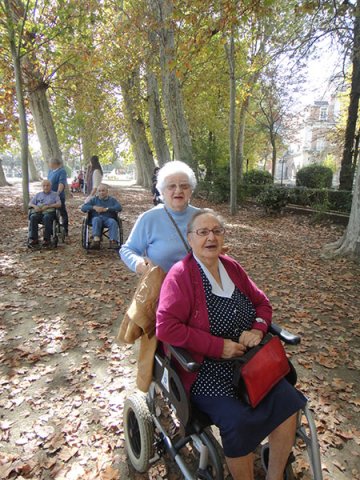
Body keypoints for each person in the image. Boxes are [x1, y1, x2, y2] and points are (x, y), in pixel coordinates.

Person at [156, 209, 307, 480]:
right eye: (202, 232)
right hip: (205, 371)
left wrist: (258, 329)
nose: (210, 237)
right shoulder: (180, 276)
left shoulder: (232, 266)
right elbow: (166, 327)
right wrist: (217, 346)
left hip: (249, 365)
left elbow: (262, 303)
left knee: (287, 402)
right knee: (239, 422)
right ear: (190, 239)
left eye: (217, 231)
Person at [120, 160, 199, 274]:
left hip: (198, 286)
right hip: (162, 287)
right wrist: (138, 263)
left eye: (184, 186)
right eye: (171, 186)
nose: (178, 190)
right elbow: (127, 249)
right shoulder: (149, 218)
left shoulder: (202, 217)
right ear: (162, 190)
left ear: (191, 190)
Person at [81, 183, 122, 249]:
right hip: (96, 218)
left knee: (113, 222)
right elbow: (83, 208)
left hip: (108, 218)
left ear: (107, 192)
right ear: (97, 192)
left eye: (103, 191)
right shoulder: (94, 200)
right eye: (99, 191)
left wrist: (107, 209)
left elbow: (119, 207)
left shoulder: (112, 200)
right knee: (96, 219)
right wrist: (94, 207)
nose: (101, 193)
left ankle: (113, 241)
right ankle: (96, 240)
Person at [28, 180, 61, 246]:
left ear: (50, 186)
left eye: (47, 185)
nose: (46, 187)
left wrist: (48, 206)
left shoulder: (55, 194)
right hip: (39, 212)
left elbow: (59, 204)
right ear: (42, 187)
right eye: (44, 186)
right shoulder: (38, 195)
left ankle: (47, 240)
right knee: (33, 217)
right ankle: (34, 239)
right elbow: (30, 203)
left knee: (47, 217)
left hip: (49, 212)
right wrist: (35, 206)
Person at [48, 158, 69, 235]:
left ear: (54, 164)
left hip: (58, 195)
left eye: (49, 163)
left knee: (62, 212)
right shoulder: (50, 171)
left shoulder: (62, 171)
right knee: (51, 212)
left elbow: (61, 183)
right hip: (49, 195)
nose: (48, 165)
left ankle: (65, 229)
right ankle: (52, 228)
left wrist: (58, 192)